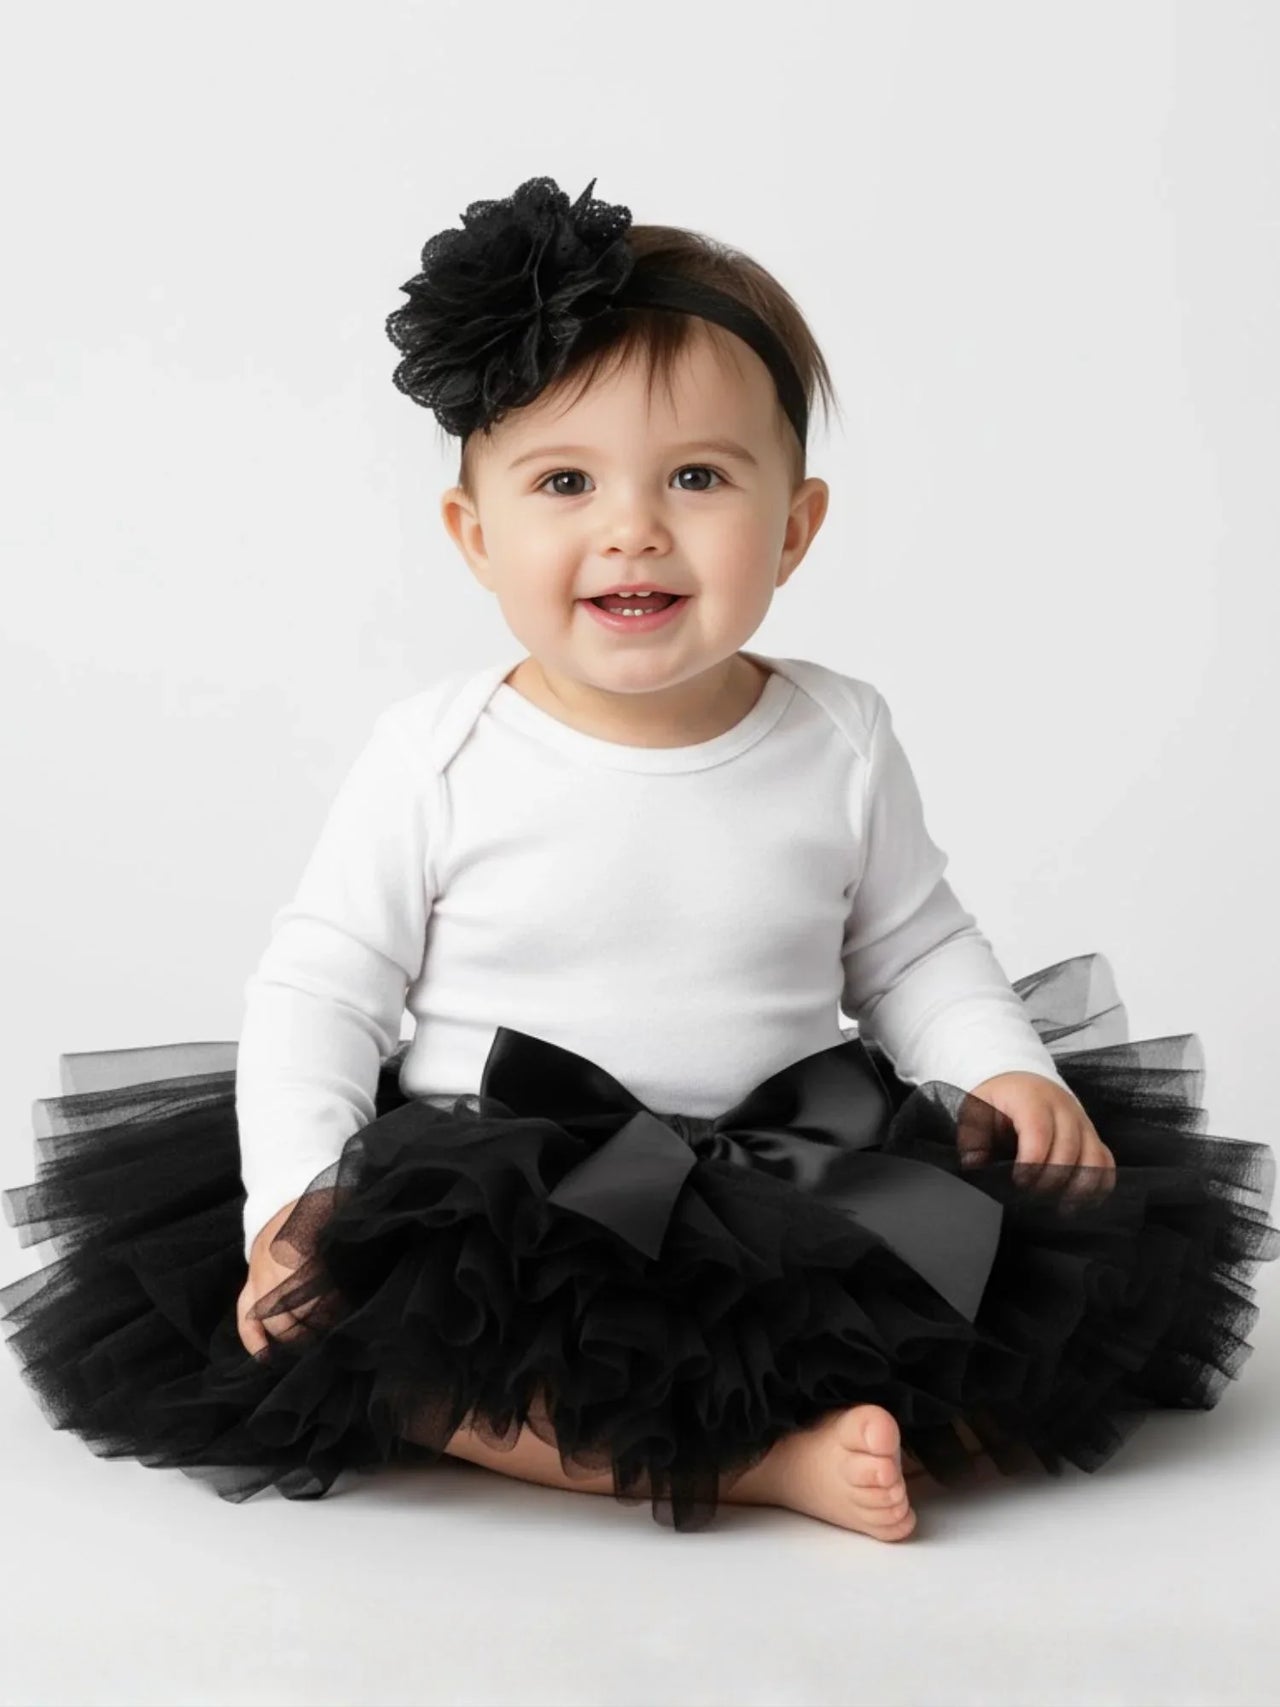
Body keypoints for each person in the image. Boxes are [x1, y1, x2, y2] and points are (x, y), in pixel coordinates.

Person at [3, 175, 1276, 1539]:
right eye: (566, 481)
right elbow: (323, 988)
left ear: (794, 526)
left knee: (992, 1315)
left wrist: (1001, 1065)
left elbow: (912, 946)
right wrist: (297, 1197)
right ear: (475, 536)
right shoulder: (438, 756)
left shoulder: (838, 735)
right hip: (509, 1197)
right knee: (403, 1361)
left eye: (698, 478)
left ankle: (824, 1422)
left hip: (785, 1175)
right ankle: (755, 1468)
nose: (634, 528)